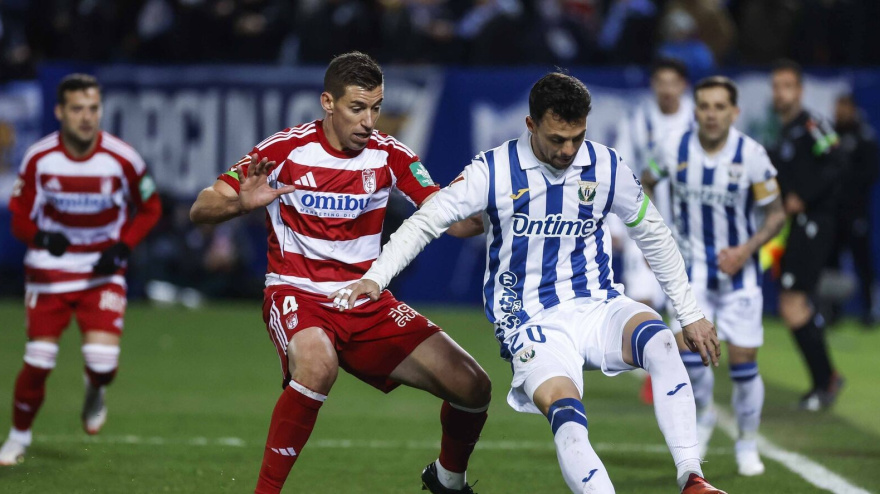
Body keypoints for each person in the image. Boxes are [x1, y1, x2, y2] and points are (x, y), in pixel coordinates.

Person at [334, 72, 726, 494]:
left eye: (577, 138)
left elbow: (654, 234)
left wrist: (690, 314)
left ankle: (692, 478)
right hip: (530, 320)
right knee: (568, 418)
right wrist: (376, 277)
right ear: (531, 124)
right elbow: (427, 221)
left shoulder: (606, 166)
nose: (568, 150)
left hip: (598, 305)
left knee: (662, 341)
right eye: (557, 139)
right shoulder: (493, 170)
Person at [189, 52, 491, 494]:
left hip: (365, 300)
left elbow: (457, 223)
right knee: (317, 364)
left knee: (473, 386)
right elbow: (202, 207)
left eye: (376, 108)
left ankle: (447, 480)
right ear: (328, 103)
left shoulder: (391, 154)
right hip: (297, 293)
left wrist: (490, 205)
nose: (369, 121)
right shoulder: (284, 149)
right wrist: (240, 203)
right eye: (357, 108)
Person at [0, 74, 161, 465]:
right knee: (39, 361)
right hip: (50, 271)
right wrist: (42, 238)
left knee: (102, 365)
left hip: (102, 272)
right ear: (60, 112)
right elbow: (19, 219)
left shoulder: (122, 157)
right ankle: (18, 438)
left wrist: (122, 246)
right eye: (77, 109)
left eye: (93, 108)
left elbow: (150, 207)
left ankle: (95, 390)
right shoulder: (39, 158)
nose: (86, 117)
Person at [643, 76, 787, 476]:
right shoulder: (672, 148)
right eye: (704, 106)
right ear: (695, 111)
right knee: (688, 356)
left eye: (719, 107)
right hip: (690, 275)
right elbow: (645, 184)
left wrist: (746, 250)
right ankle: (704, 412)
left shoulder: (752, 155)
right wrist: (657, 239)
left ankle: (746, 442)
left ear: (734, 112)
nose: (711, 114)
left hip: (740, 276)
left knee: (743, 365)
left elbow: (776, 214)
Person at [615, 57, 694, 405]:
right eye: (660, 81)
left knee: (684, 305)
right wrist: (618, 226)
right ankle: (658, 373)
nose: (666, 89)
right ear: (653, 85)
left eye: (672, 82)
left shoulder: (698, 120)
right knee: (642, 300)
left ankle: (676, 375)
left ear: (683, 85)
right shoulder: (637, 122)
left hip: (690, 230)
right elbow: (622, 172)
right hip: (646, 223)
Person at [767, 60, 845, 411]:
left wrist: (804, 197)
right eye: (776, 86)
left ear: (799, 91)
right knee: (794, 302)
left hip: (815, 221)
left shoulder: (811, 125)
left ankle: (825, 381)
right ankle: (824, 380)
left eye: (787, 86)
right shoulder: (785, 132)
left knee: (793, 302)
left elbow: (837, 161)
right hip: (797, 224)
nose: (780, 93)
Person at [829, 94, 878, 326]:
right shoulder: (829, 135)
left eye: (844, 107)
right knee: (831, 263)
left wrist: (847, 184)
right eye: (837, 107)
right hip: (832, 212)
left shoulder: (863, 136)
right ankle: (832, 311)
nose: (840, 112)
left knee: (862, 262)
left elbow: (871, 172)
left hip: (856, 212)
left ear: (853, 109)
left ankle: (869, 310)